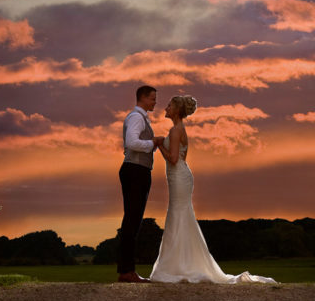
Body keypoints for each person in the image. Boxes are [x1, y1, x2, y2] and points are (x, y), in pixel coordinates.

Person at [149, 95, 275, 284]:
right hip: (180, 176)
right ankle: (180, 263)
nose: (165, 108)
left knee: (178, 214)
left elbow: (174, 159)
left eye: (169, 105)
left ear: (176, 110)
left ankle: (177, 266)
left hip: (179, 177)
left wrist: (160, 145)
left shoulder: (175, 130)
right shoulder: (179, 129)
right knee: (181, 215)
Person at [117, 84, 163, 283]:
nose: (155, 102)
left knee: (133, 220)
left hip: (138, 170)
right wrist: (153, 142)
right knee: (132, 220)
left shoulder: (141, 118)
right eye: (153, 99)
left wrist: (153, 144)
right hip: (135, 171)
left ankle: (127, 270)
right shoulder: (136, 117)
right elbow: (131, 143)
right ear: (143, 98)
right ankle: (127, 271)